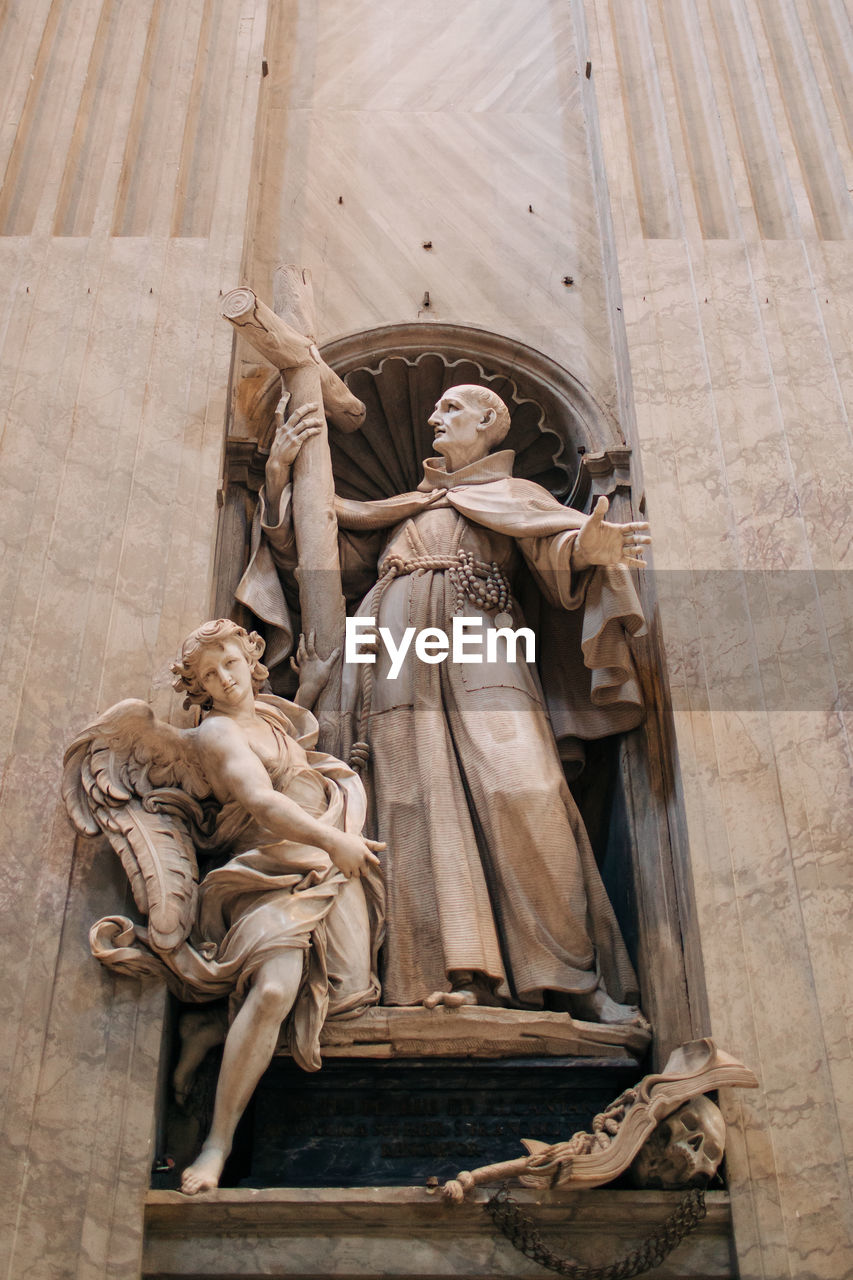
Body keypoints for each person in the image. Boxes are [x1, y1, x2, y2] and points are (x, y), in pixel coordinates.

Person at [237, 386, 650, 1022]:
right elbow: (319, 565)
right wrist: (275, 479)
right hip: (388, 655)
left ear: (490, 421)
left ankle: (575, 981)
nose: (433, 415)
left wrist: (585, 550)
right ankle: (447, 973)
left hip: (481, 640)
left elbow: (552, 546)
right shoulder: (402, 510)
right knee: (411, 804)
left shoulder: (514, 497)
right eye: (433, 407)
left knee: (525, 791)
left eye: (452, 407)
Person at [66, 619, 384, 1194]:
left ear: (252, 659)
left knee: (348, 993)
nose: (225, 679)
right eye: (210, 675)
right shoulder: (215, 735)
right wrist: (334, 839)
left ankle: (215, 1024)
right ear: (200, 688)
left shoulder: (272, 717)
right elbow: (261, 801)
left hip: (323, 862)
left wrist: (314, 685)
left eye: (232, 663)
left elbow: (295, 764)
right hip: (264, 874)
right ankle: (217, 1145)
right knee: (275, 991)